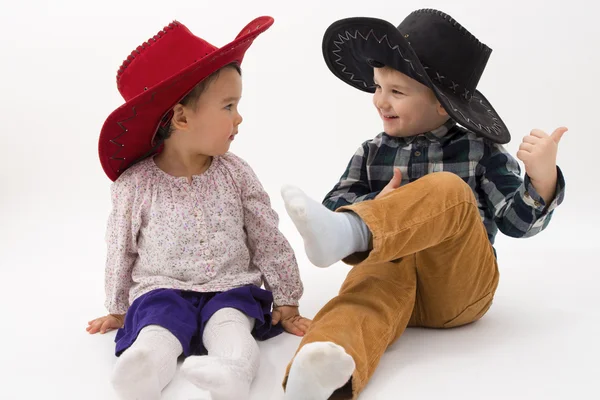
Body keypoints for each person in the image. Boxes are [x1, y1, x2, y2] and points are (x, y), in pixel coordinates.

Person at [280, 9, 567, 400]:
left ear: (443, 106)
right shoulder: (371, 152)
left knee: (448, 189)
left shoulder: (478, 150)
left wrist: (542, 180)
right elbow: (332, 206)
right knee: (356, 302)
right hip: (389, 275)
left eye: (397, 91)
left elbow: (518, 223)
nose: (381, 100)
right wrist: (372, 204)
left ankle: (358, 229)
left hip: (456, 288)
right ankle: (319, 377)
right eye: (378, 87)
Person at [86, 16, 310, 400]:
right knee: (157, 328)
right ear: (182, 117)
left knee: (231, 326)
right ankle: (142, 373)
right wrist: (118, 308)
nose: (239, 118)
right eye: (228, 106)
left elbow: (265, 235)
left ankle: (233, 372)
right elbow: (120, 247)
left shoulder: (236, 174)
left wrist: (287, 300)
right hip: (162, 289)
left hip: (230, 288)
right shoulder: (136, 185)